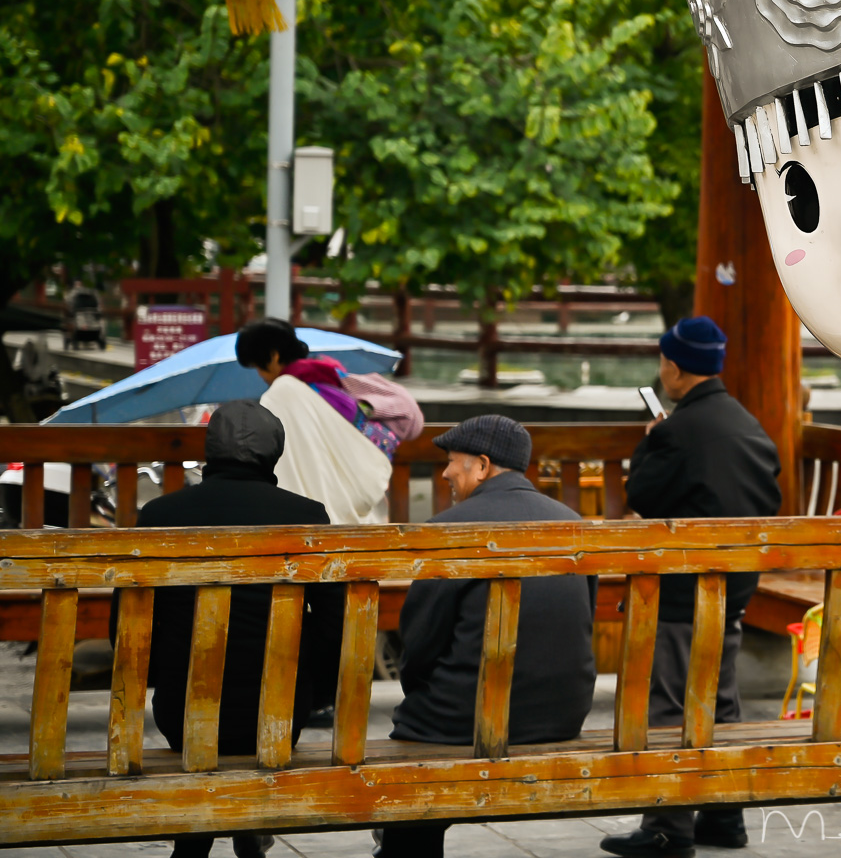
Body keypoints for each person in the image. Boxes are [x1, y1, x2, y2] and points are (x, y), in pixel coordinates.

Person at [115, 400, 344, 858]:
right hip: (278, 716)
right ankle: (249, 834)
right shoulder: (307, 516)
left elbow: (126, 626)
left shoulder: (160, 515)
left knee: (202, 733)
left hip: (182, 714)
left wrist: (164, 679)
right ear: (274, 452)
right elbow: (334, 627)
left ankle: (196, 847)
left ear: (210, 451)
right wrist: (312, 692)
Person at [600, 317, 782, 858]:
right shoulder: (749, 425)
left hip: (681, 592)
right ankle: (724, 816)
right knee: (719, 701)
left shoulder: (676, 431)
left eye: (664, 364)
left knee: (670, 702)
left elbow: (644, 494)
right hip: (735, 587)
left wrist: (651, 444)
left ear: (674, 367)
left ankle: (667, 826)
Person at [376, 414, 597, 858]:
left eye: (451, 461)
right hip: (563, 713)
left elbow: (419, 645)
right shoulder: (573, 524)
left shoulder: (448, 530)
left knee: (415, 725)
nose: (445, 473)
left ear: (481, 465)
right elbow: (582, 620)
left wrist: (420, 693)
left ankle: (406, 849)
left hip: (468, 718)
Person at [235, 318, 392, 523]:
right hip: (353, 497)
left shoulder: (281, 393)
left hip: (307, 512)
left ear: (274, 356)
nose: (260, 375)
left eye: (258, 366)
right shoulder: (321, 380)